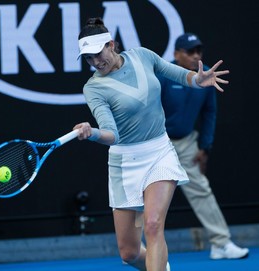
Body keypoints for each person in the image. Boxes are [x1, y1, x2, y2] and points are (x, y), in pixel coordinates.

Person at [73, 18, 229, 271]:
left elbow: (176, 73)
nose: (95, 62)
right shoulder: (93, 88)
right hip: (125, 164)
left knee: (154, 225)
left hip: (159, 153)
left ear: (111, 44)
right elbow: (112, 134)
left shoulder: (143, 56)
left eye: (98, 54)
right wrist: (92, 133)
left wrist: (197, 79)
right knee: (129, 252)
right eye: (88, 59)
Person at [158, 33, 249, 260]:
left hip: (188, 143)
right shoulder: (163, 75)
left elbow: (210, 112)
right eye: (190, 51)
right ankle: (136, 249)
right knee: (143, 197)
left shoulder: (207, 74)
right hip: (158, 143)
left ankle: (221, 243)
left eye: (198, 51)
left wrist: (205, 147)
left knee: (201, 190)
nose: (196, 56)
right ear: (176, 54)